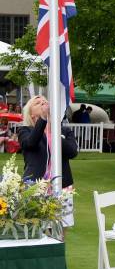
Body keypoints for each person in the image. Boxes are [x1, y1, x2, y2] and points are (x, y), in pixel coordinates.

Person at [18, 95, 78, 234]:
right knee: (37, 228)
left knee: (60, 229)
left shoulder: (63, 131)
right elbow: (31, 143)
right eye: (38, 103)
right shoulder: (24, 130)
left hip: (62, 186)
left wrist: (54, 131)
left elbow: (73, 152)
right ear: (31, 113)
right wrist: (43, 121)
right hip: (35, 185)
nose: (43, 103)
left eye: (45, 101)